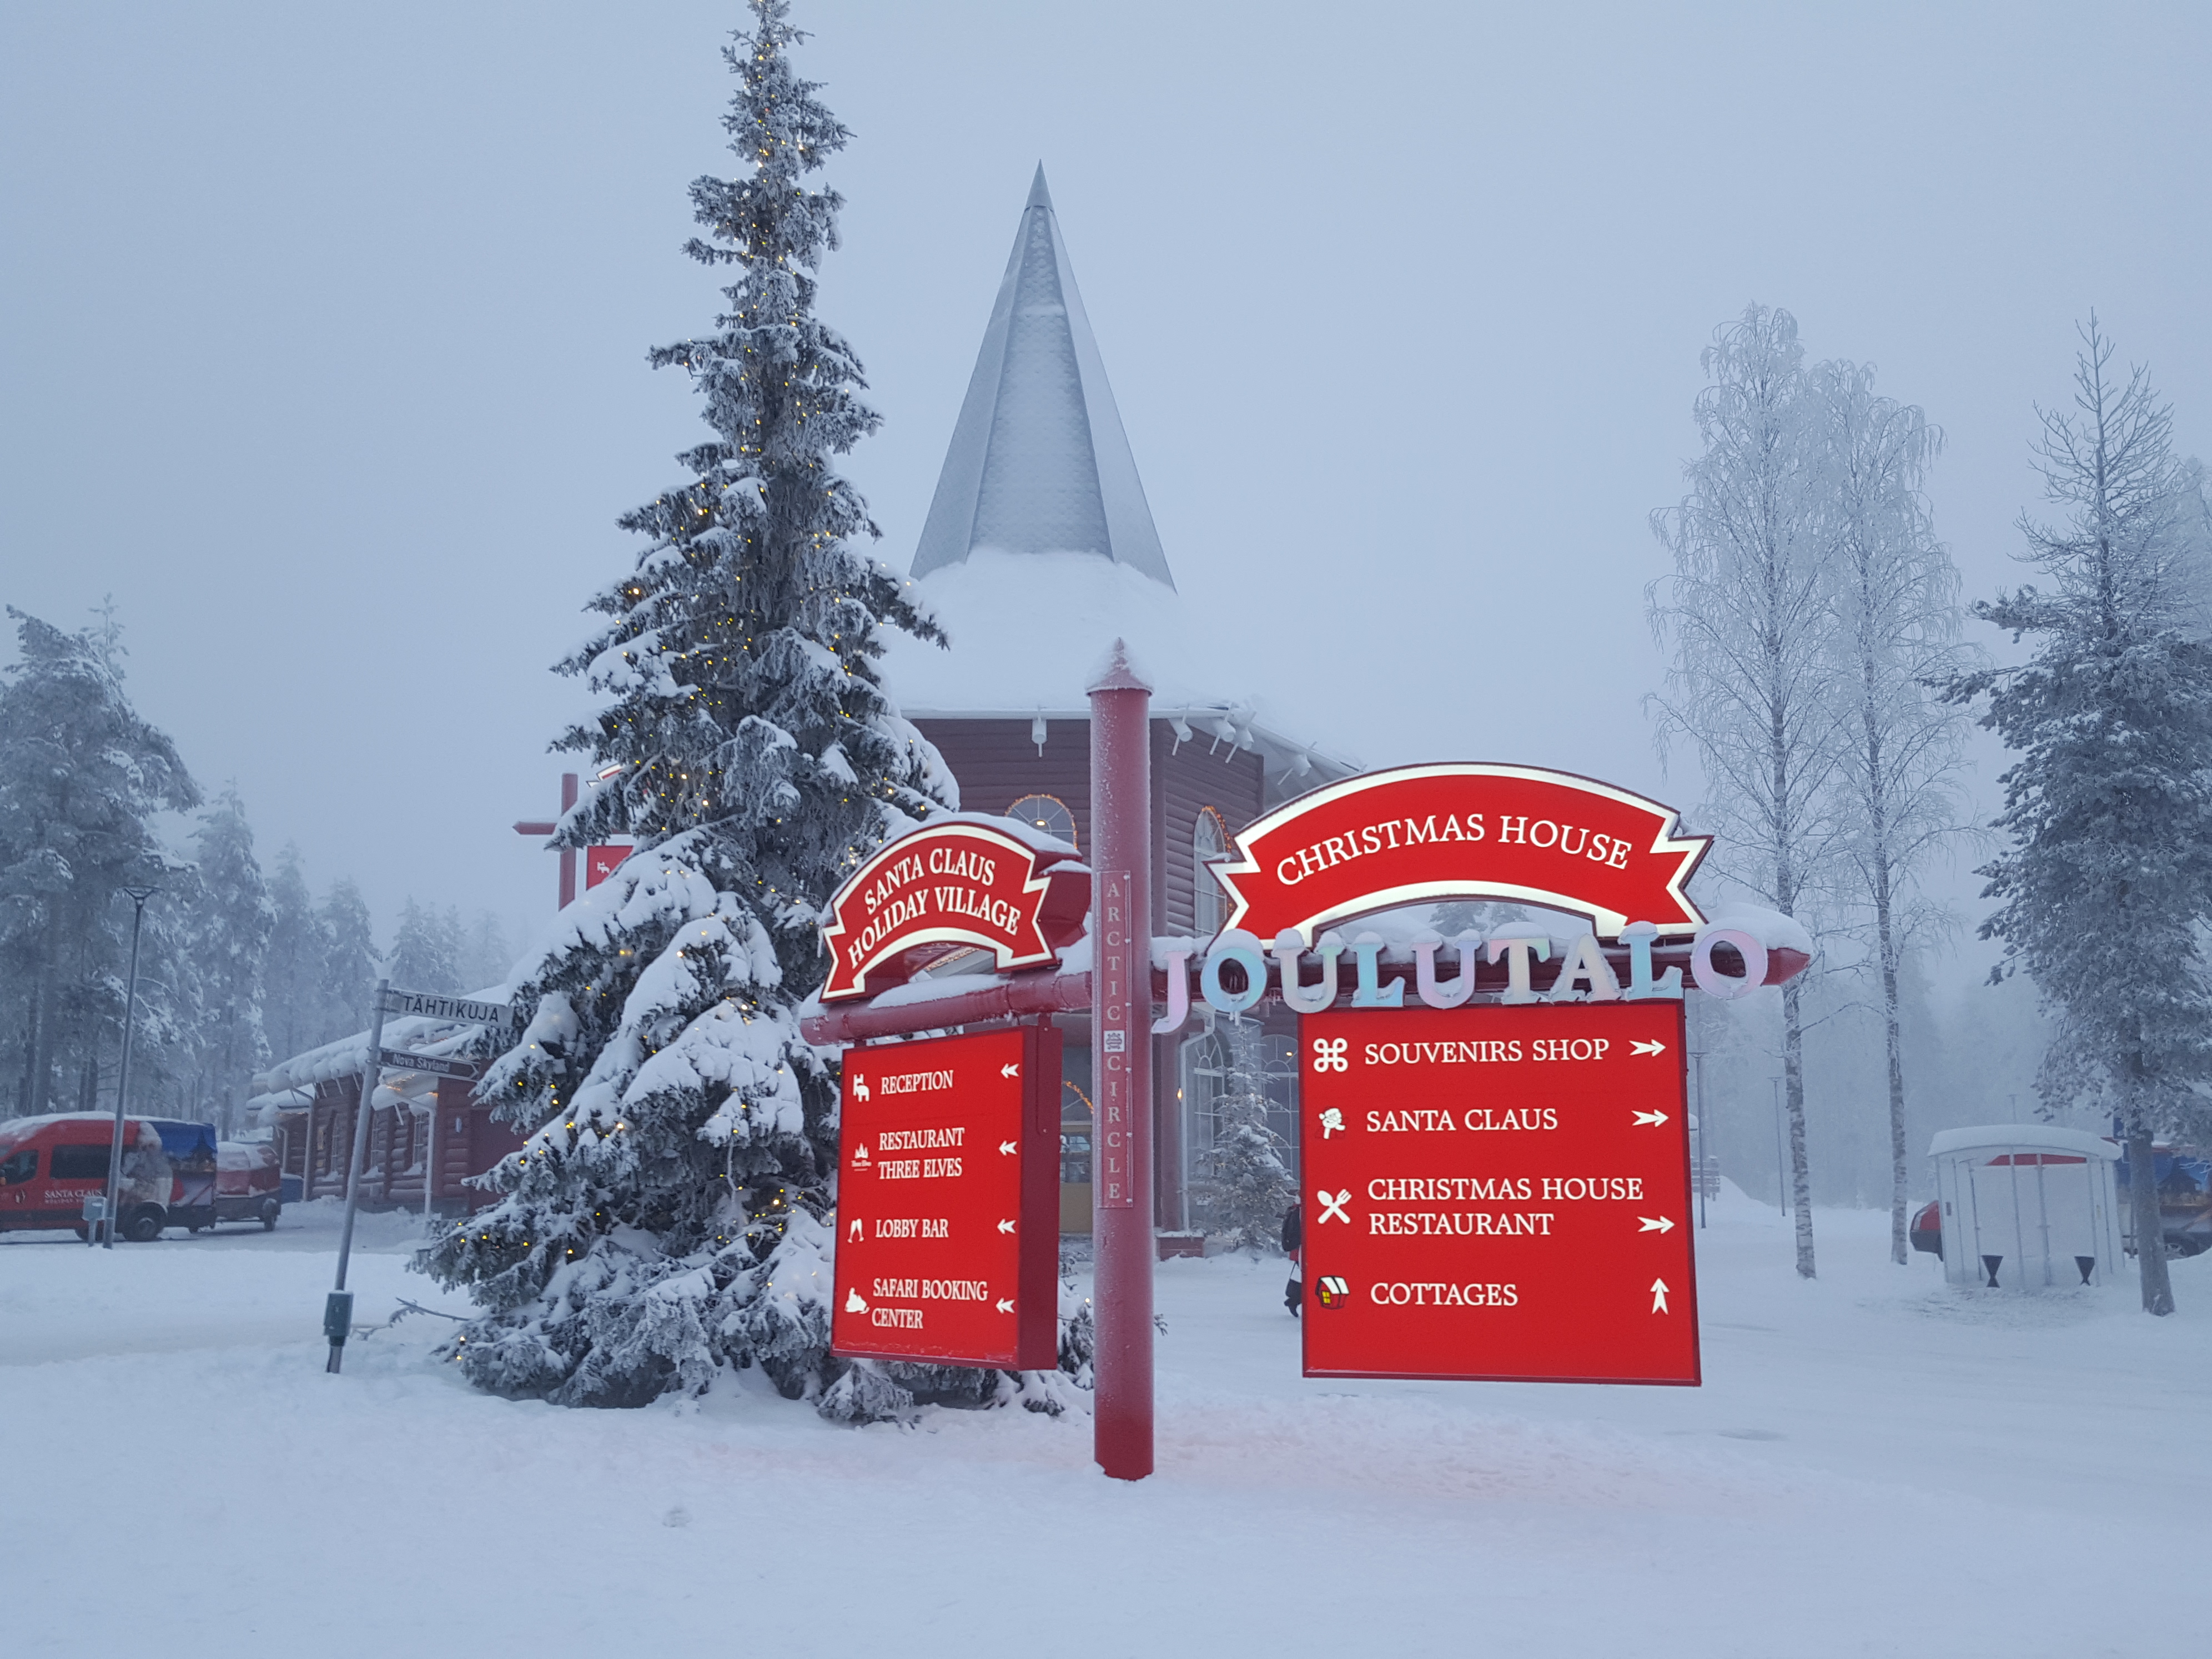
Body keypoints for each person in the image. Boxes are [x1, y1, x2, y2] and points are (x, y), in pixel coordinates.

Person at [1280, 1199, 1302, 1316]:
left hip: (1299, 1250)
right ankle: (1294, 1300)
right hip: (1303, 1251)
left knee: (1307, 1278)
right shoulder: (1301, 1212)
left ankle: (1294, 1300)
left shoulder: (1294, 1210)